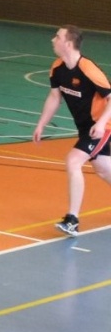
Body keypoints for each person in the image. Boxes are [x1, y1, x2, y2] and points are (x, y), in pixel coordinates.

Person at [31, 25, 111, 237]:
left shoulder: (88, 69)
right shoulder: (57, 68)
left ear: (67, 43)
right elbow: (54, 97)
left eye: (57, 37)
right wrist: (41, 124)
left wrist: (101, 124)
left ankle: (72, 220)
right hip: (85, 127)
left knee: (73, 161)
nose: (52, 40)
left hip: (102, 126)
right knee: (104, 169)